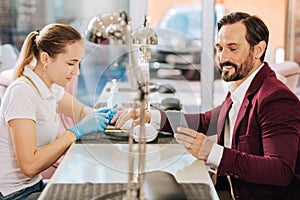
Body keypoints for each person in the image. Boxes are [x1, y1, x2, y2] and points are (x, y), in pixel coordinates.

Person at [112, 12, 300, 199]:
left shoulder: (276, 98)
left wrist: (212, 152)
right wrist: (150, 116)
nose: (223, 57)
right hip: (228, 188)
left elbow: (280, 171)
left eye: (233, 48)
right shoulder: (241, 87)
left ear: (258, 50)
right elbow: (205, 121)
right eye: (219, 48)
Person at [0, 23, 116, 199]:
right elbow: (29, 166)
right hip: (15, 195)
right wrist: (74, 132)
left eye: (78, 63)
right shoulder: (22, 92)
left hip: (34, 186)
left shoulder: (50, 88)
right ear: (46, 58)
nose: (76, 72)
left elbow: (82, 111)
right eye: (71, 63)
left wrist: (109, 114)